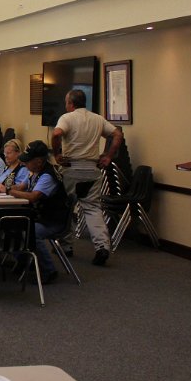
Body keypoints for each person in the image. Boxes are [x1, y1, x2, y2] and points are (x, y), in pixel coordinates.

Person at [51, 89, 123, 266]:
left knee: (66, 207)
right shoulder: (97, 119)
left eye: (66, 102)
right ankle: (102, 247)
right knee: (92, 209)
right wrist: (108, 156)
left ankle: (66, 246)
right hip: (92, 169)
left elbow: (56, 134)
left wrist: (57, 154)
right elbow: (117, 134)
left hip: (71, 169)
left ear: (71, 103)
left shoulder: (67, 118)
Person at [0, 140, 70, 285]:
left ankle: (49, 270)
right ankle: (25, 260)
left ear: (38, 161)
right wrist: (2, 188)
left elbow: (33, 197)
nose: (24, 163)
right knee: (9, 225)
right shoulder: (35, 171)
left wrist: (8, 191)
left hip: (51, 221)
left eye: (28, 161)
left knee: (31, 232)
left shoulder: (47, 176)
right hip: (39, 216)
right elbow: (22, 186)